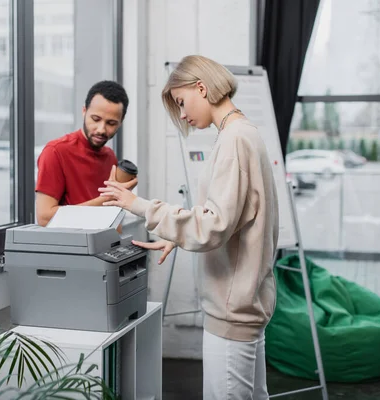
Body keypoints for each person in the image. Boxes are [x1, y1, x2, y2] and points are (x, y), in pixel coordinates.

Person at [99, 55, 279, 400]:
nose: (182, 114)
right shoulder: (243, 133)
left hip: (231, 308)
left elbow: (213, 225)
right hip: (244, 303)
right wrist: (178, 237)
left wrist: (138, 204)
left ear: (201, 87)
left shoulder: (233, 141)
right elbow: (233, 216)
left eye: (181, 102)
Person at [35, 80, 138, 226]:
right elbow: (45, 218)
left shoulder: (110, 157)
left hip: (103, 245)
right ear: (84, 111)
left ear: (120, 123)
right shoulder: (55, 151)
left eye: (111, 123)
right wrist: (108, 199)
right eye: (95, 119)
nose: (101, 129)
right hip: (72, 246)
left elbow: (113, 221)